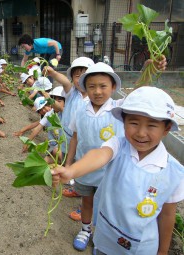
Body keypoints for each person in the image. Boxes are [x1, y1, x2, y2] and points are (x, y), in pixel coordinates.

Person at [52, 86, 184, 255]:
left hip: (142, 248)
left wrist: (163, 251)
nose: (141, 133)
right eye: (134, 123)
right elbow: (99, 155)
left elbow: (167, 215)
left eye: (151, 125)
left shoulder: (175, 173)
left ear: (166, 129)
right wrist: (72, 171)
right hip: (106, 236)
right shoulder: (118, 144)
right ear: (124, 122)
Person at [65, 62, 125, 252]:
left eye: (103, 86)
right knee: (87, 201)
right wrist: (68, 163)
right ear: (85, 88)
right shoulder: (81, 109)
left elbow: (140, 92)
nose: (97, 91)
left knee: (107, 206)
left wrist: (151, 69)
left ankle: (102, 235)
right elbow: (75, 137)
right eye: (92, 86)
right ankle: (85, 229)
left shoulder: (118, 110)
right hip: (84, 167)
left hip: (108, 172)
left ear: (113, 87)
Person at [44, 57, 94, 202]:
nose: (80, 79)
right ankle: (74, 186)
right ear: (72, 78)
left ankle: (80, 190)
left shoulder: (93, 98)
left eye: (85, 75)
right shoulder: (72, 94)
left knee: (82, 165)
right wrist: (53, 73)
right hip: (66, 137)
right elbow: (64, 82)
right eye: (77, 76)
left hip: (83, 140)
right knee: (69, 161)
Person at [22, 87, 65, 165]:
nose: (56, 103)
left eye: (59, 101)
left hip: (66, 146)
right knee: (42, 164)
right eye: (54, 100)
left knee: (57, 153)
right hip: (54, 145)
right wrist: (27, 142)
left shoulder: (66, 112)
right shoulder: (49, 114)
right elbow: (37, 128)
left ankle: (67, 168)